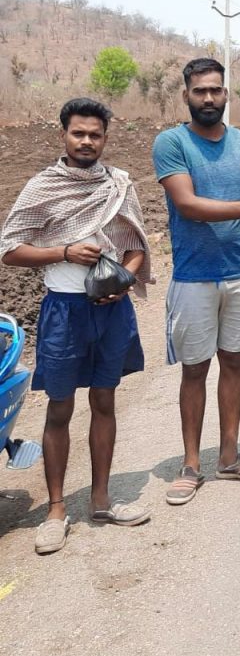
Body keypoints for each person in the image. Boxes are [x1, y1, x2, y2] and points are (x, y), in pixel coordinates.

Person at [1, 98, 152, 554]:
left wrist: (124, 282)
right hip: (64, 311)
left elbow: (137, 246)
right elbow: (10, 249)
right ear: (63, 135)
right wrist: (63, 252)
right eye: (78, 133)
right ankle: (56, 509)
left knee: (105, 400)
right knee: (60, 408)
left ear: (105, 138)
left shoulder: (120, 185)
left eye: (95, 134)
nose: (87, 141)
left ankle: (102, 499)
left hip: (112, 309)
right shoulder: (43, 186)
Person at [152, 58, 240, 506]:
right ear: (186, 95)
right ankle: (191, 465)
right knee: (195, 369)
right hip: (194, 277)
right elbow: (189, 205)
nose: (208, 98)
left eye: (215, 90)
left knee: (234, 362)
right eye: (200, 91)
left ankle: (229, 457)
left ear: (227, 93)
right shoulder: (171, 143)